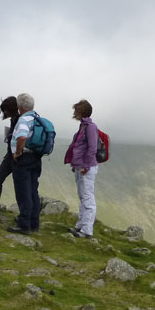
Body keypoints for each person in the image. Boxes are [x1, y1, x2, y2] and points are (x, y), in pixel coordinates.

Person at [8, 93, 43, 235]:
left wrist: (17, 152)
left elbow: (22, 136)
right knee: (33, 191)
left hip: (24, 159)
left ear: (20, 106)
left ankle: (23, 225)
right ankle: (34, 223)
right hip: (36, 158)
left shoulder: (24, 120)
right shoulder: (37, 118)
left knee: (23, 192)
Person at [65, 99, 99, 238]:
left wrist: (85, 166)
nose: (74, 112)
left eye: (76, 110)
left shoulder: (90, 127)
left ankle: (87, 230)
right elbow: (80, 147)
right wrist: (75, 165)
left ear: (82, 111)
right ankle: (80, 226)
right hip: (81, 166)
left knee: (87, 198)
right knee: (83, 196)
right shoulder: (83, 126)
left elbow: (92, 148)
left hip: (87, 167)